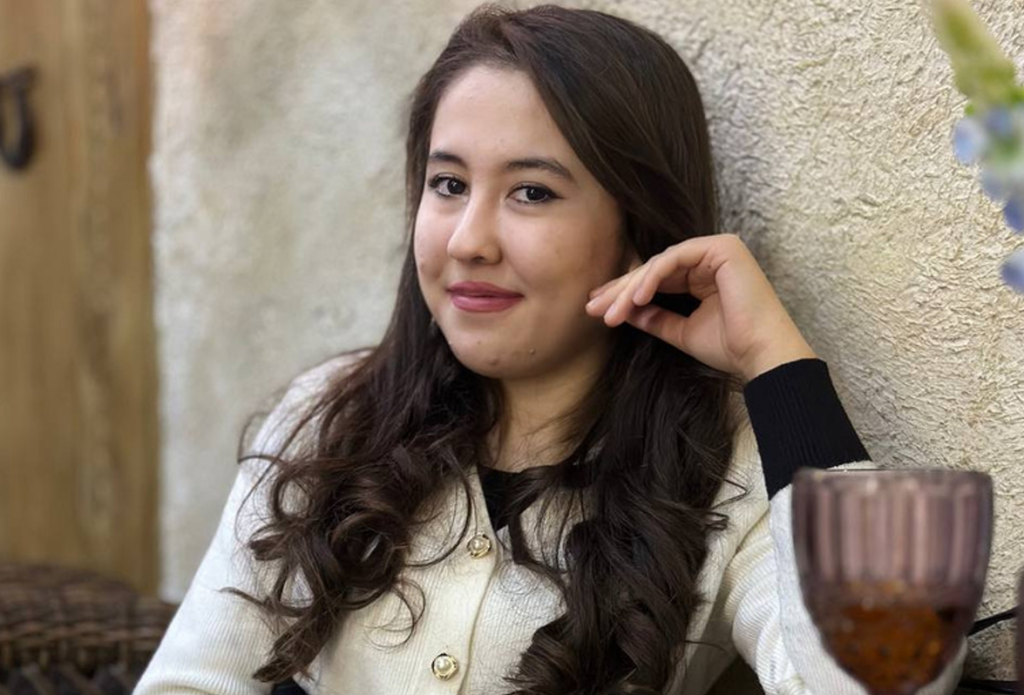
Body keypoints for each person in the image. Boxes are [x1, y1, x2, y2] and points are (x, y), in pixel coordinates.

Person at [136, 4, 965, 695]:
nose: (469, 239)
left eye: (532, 192)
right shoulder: (328, 417)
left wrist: (780, 370)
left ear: (639, 230)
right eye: (448, 183)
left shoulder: (727, 465)